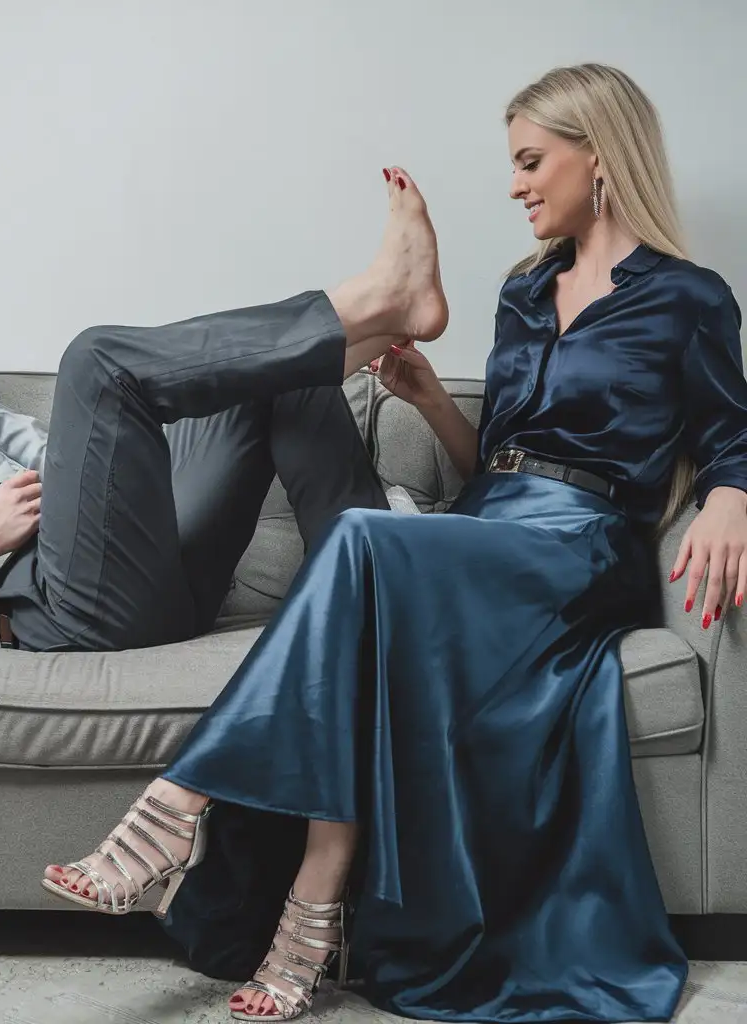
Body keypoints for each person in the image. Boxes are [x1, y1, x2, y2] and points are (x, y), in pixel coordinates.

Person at [42, 63, 747, 1023]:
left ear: (601, 154)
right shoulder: (524, 294)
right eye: (514, 165)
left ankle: (177, 809)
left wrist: (730, 497)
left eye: (532, 161)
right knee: (367, 589)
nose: (515, 185)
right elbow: (493, 460)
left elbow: (727, 434)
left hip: (582, 548)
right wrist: (428, 404)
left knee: (366, 543)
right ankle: (313, 906)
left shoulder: (688, 297)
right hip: (489, 530)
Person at [0, 179, 447, 654]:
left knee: (279, 369)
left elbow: (62, 454)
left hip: (134, 566)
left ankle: (377, 600)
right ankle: (365, 304)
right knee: (95, 360)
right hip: (50, 613)